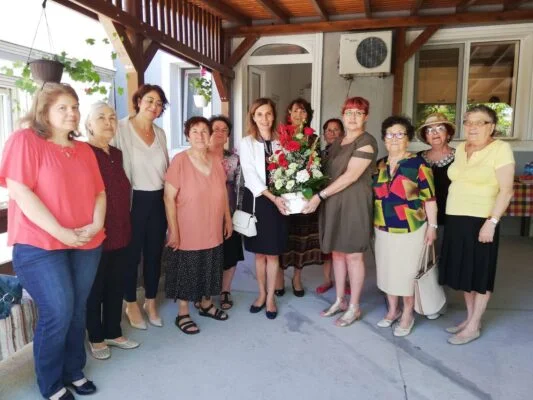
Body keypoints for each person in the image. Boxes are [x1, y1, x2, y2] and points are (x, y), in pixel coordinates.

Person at [0, 83, 105, 400]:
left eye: (75, 106)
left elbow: (99, 193)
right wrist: (62, 232)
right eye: (63, 107)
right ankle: (50, 381)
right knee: (58, 310)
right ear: (44, 112)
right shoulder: (25, 140)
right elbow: (20, 192)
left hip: (86, 242)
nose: (72, 113)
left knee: (76, 310)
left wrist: (97, 224)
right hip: (39, 245)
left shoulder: (84, 150)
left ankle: (74, 370)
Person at [439, 104, 514, 345]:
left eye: (479, 122)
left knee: (480, 272)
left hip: (481, 220)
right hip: (455, 218)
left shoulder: (500, 149)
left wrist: (492, 222)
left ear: (491, 126)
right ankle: (471, 318)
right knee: (465, 272)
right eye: (468, 122)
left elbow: (506, 190)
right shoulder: (462, 148)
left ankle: (474, 326)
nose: (472, 127)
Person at [303, 97, 377, 327]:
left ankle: (354, 307)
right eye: (349, 112)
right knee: (336, 253)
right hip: (333, 202)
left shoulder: (367, 141)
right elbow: (324, 171)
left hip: (354, 203)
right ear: (343, 115)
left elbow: (351, 176)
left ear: (366, 117)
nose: (353, 117)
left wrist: (319, 196)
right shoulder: (339, 142)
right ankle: (339, 300)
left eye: (358, 113)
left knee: (353, 255)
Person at [163, 116, 232, 334]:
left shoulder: (216, 160)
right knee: (188, 268)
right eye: (194, 131)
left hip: (213, 225)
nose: (200, 135)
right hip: (188, 228)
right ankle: (183, 313)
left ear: (210, 135)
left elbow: (223, 192)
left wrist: (228, 219)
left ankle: (206, 304)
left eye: (204, 131)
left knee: (210, 265)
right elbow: (168, 197)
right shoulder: (180, 161)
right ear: (187, 136)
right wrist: (173, 230)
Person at [372, 116, 437, 337]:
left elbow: (430, 198)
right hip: (383, 227)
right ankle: (393, 310)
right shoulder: (379, 165)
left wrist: (432, 226)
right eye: (390, 134)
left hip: (412, 227)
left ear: (407, 139)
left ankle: (408, 313)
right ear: (384, 138)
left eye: (400, 134)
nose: (394, 138)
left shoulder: (418, 164)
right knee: (387, 271)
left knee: (407, 274)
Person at [85, 102, 139, 360]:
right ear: (89, 124)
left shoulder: (116, 153)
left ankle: (113, 332)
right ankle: (95, 337)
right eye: (101, 117)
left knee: (116, 284)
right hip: (96, 232)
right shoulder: (84, 152)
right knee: (95, 287)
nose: (108, 122)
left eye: (112, 117)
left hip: (121, 229)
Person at [113, 84, 169, 329]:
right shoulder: (121, 129)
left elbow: (165, 169)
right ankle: (130, 303)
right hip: (132, 201)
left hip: (157, 200)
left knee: (154, 254)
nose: (154, 106)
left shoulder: (160, 133)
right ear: (138, 101)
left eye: (159, 103)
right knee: (131, 255)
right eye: (149, 100)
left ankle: (150, 301)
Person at [240, 98, 289, 320]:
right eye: (259, 114)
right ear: (253, 117)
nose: (264, 118)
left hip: (280, 202)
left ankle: (270, 298)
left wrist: (282, 198)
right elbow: (250, 176)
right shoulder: (247, 142)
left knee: (273, 252)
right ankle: (261, 294)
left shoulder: (283, 141)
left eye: (268, 113)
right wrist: (273, 198)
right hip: (259, 201)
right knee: (260, 253)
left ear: (274, 115)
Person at [277, 98, 322, 297]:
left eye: (303, 111)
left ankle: (297, 277)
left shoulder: (313, 139)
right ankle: (279, 277)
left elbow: (317, 164)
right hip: (283, 195)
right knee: (281, 237)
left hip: (304, 196)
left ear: (307, 115)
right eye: (295, 110)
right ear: (289, 113)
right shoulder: (280, 136)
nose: (299, 115)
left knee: (301, 239)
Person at [417, 113, 456, 320]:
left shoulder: (460, 157)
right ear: (425, 136)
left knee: (444, 259)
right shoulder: (418, 158)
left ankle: (439, 301)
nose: (435, 133)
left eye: (440, 128)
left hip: (450, 217)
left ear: (448, 133)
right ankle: (423, 299)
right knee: (423, 260)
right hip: (422, 218)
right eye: (430, 130)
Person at [209, 115, 244, 310]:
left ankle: (225, 290)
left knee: (230, 252)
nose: (220, 133)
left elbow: (239, 187)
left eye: (224, 130)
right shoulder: (201, 156)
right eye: (216, 129)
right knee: (206, 252)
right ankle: (205, 290)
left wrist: (236, 212)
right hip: (204, 213)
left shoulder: (234, 159)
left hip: (229, 210)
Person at [316, 118, 345, 294]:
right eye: (328, 130)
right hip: (324, 202)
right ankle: (327, 280)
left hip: (343, 201)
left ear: (342, 133)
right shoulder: (319, 155)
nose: (332, 133)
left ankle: (345, 281)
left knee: (343, 242)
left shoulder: (347, 152)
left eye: (336, 130)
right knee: (327, 242)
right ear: (324, 134)